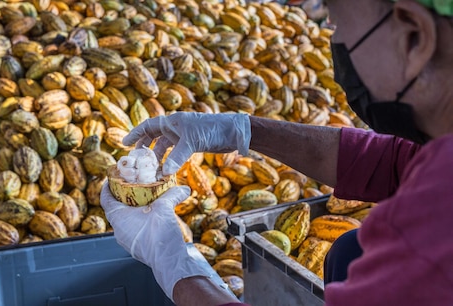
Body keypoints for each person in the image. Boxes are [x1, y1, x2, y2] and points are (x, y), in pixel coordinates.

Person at [100, 0, 453, 305]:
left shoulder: (430, 226)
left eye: (337, 21)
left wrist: (177, 268)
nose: (334, 38)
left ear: (414, 36)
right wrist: (244, 130)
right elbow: (393, 162)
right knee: (348, 251)